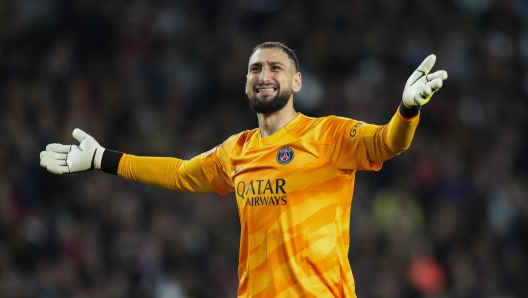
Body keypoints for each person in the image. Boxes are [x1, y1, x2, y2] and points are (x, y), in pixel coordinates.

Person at [40, 42, 447, 297]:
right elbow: (181, 174)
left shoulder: (327, 134)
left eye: (275, 68)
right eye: (256, 68)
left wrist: (407, 110)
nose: (264, 75)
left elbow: (387, 143)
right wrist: (101, 159)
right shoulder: (237, 151)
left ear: (297, 82)